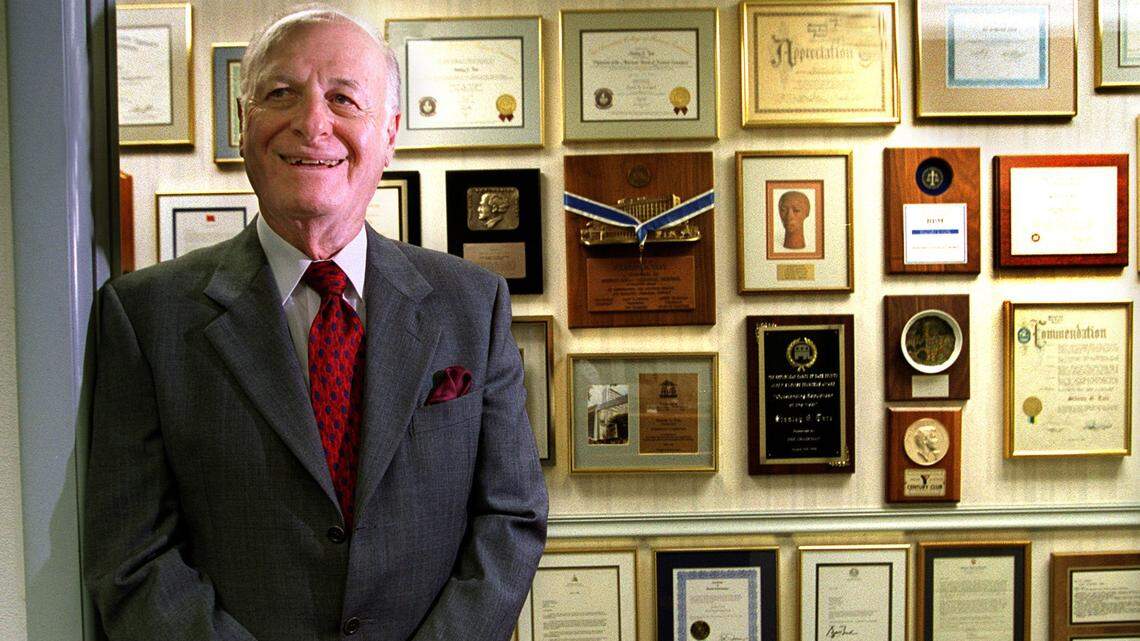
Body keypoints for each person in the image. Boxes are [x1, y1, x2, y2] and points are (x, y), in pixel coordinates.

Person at [83, 7, 548, 641]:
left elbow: (511, 517)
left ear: (388, 132)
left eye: (343, 99)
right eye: (281, 94)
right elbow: (133, 553)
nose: (312, 123)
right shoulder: (144, 316)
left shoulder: (474, 304)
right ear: (243, 125)